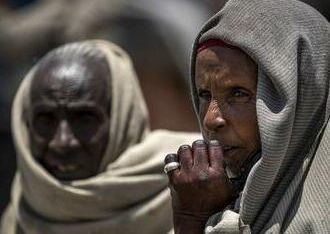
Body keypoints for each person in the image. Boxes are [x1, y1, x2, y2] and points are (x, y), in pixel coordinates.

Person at [164, 0, 330, 233]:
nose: (211, 120)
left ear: (301, 96)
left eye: (238, 93)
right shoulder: (214, 201)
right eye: (204, 94)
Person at [0, 40, 200, 234]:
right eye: (46, 119)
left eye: (84, 119)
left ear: (123, 119)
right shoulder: (23, 209)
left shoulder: (196, 179)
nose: (62, 141)